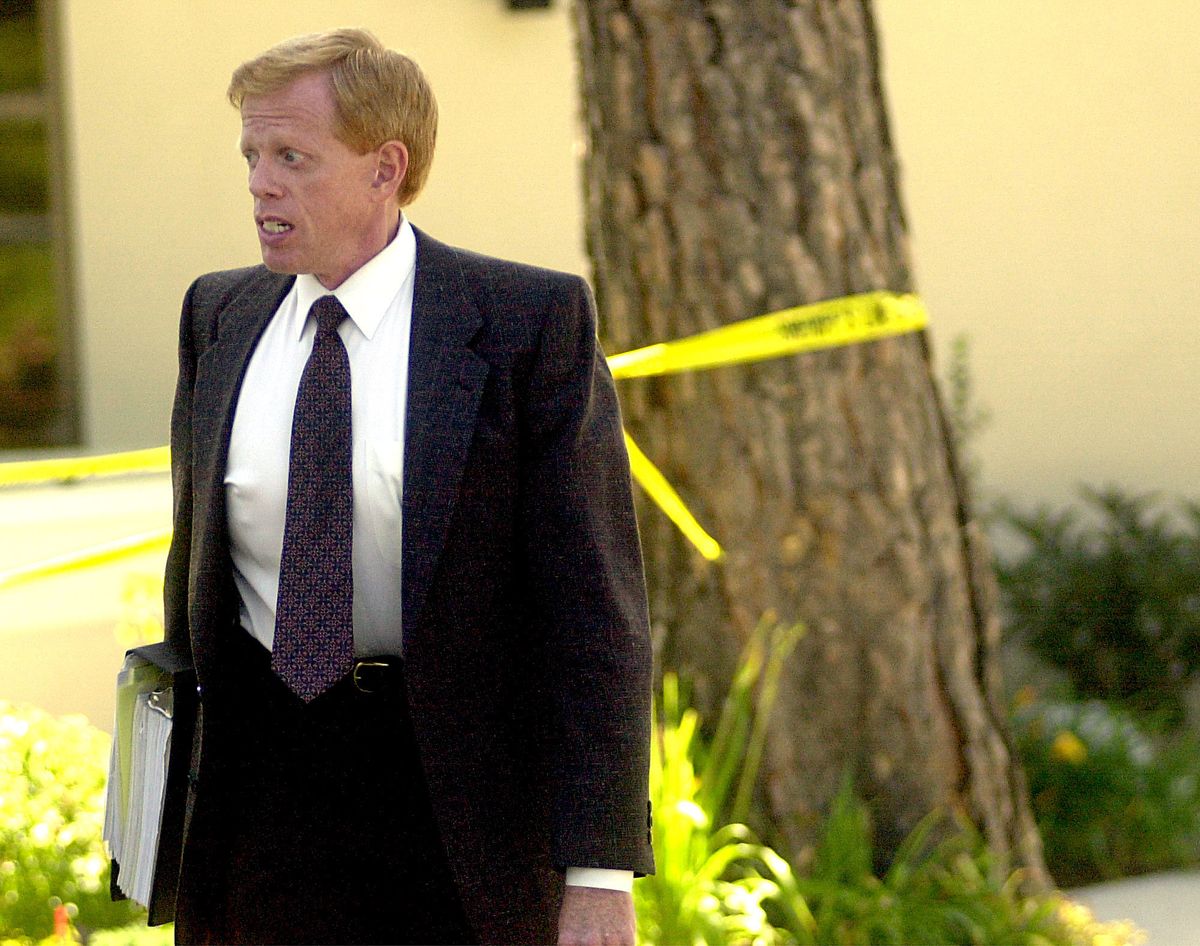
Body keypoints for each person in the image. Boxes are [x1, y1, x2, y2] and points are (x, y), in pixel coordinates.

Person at [161, 28, 653, 946]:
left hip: (458, 800)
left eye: (292, 157)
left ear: (385, 168)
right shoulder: (215, 315)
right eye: (253, 156)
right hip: (263, 787)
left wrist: (598, 873)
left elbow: (594, 615)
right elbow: (193, 579)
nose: (261, 183)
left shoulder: (525, 325)